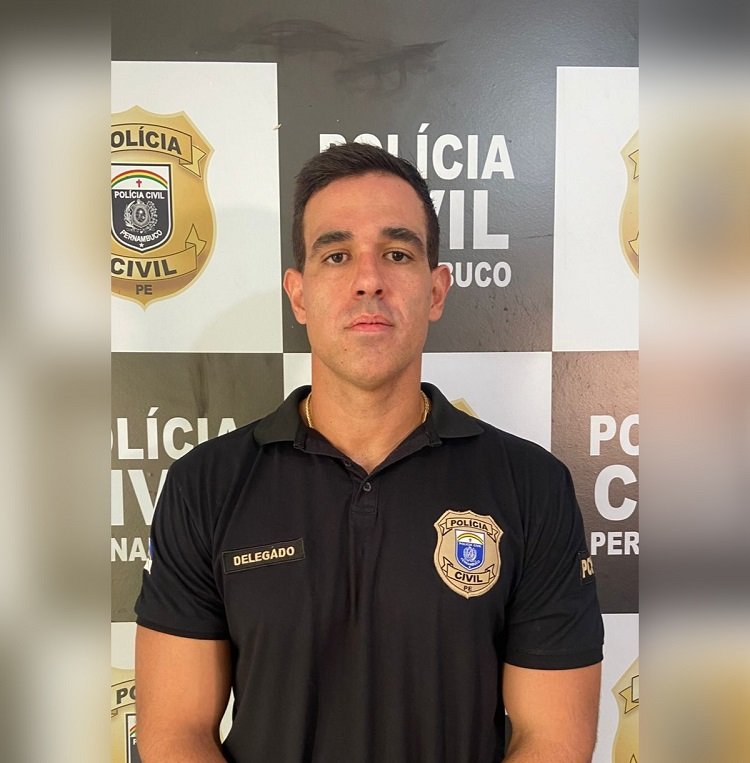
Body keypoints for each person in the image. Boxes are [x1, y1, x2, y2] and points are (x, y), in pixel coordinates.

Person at [134, 142, 604, 762]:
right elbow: (175, 734)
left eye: (397, 253)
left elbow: (554, 740)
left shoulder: (531, 485)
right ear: (299, 295)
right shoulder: (206, 484)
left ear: (436, 290)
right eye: (336, 255)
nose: (368, 280)